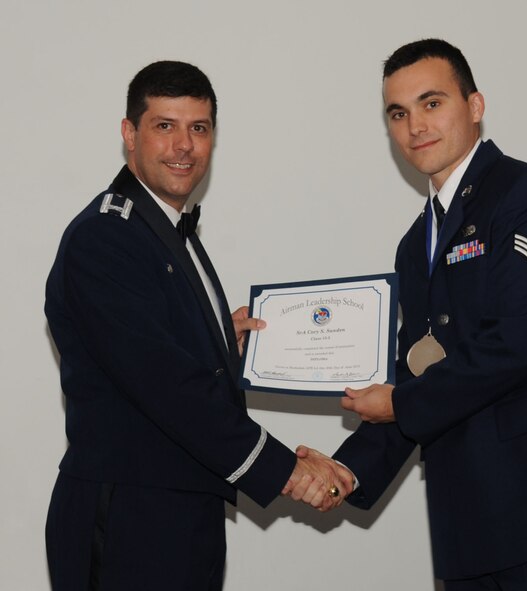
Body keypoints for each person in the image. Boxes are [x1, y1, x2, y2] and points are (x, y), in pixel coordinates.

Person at [291, 39, 527, 590]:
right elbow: (419, 370)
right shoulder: (413, 244)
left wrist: (398, 402)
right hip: (468, 523)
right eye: (398, 113)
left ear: (475, 106)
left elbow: (511, 346)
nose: (415, 125)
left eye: (431, 102)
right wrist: (348, 471)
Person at [44, 60, 352, 591]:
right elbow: (166, 385)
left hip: (182, 510)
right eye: (165, 126)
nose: (183, 146)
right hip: (129, 519)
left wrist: (213, 336)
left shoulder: (161, 229)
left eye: (199, 128)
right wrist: (285, 469)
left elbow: (153, 345)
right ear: (129, 134)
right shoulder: (106, 237)